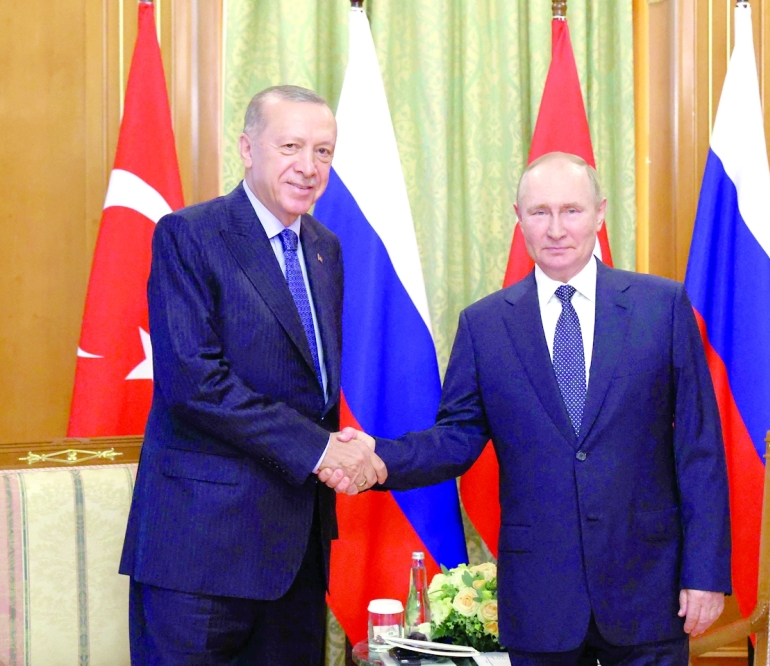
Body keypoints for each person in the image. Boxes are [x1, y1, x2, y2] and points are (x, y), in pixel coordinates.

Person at [326, 152, 731, 665]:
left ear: (600, 214)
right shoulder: (486, 325)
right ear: (519, 220)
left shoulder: (662, 306)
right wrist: (378, 457)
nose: (556, 229)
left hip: (648, 589)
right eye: (539, 212)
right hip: (542, 598)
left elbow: (699, 450)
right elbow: (456, 437)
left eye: (572, 211)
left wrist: (705, 574)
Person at [120, 85, 385, 665]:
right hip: (201, 551)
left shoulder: (325, 248)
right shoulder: (190, 235)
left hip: (297, 552)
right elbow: (196, 385)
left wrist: (338, 448)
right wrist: (321, 451)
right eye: (290, 146)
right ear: (246, 147)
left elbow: (310, 387)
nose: (308, 166)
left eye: (323, 151)